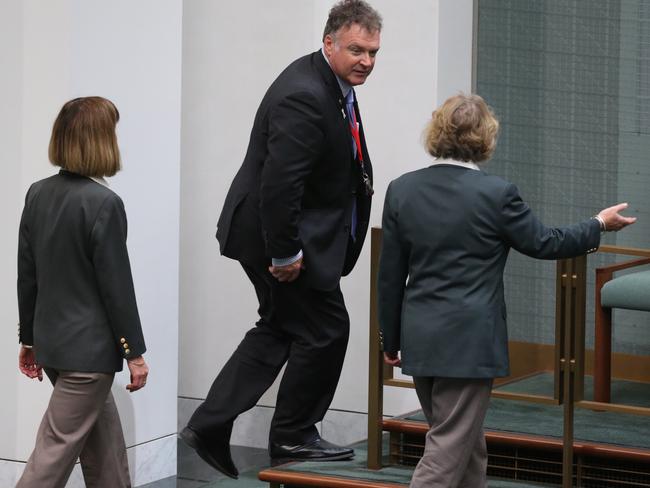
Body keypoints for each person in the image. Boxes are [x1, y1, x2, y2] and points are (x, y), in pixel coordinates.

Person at [377, 93, 636, 488]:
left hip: (422, 337)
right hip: (470, 341)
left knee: (465, 445)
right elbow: (545, 243)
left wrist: (390, 338)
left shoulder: (402, 190)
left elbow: (390, 274)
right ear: (485, 138)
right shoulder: (495, 194)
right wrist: (598, 224)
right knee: (448, 448)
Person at [180, 0, 382, 478]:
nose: (367, 61)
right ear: (329, 43)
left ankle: (210, 423)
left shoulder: (329, 83)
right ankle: (291, 435)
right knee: (325, 328)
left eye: (374, 52)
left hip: (284, 234)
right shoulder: (305, 94)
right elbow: (280, 184)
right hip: (278, 238)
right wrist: (285, 253)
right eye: (357, 50)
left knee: (280, 326)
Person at [16, 96, 149, 488]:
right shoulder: (104, 203)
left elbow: (28, 275)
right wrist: (135, 354)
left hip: (57, 350)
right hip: (87, 359)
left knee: (104, 450)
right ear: (101, 141)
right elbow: (116, 287)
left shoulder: (38, 193)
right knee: (53, 453)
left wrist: (29, 339)